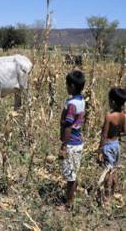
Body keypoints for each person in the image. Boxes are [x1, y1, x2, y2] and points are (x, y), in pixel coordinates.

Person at [58, 70, 86, 210]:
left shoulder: (72, 104)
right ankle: (70, 199)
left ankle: (68, 203)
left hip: (71, 143)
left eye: (67, 85)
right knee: (73, 173)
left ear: (72, 86)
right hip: (78, 143)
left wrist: (64, 144)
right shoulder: (81, 101)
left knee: (70, 176)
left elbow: (68, 125)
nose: (66, 87)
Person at [97, 87, 126, 201]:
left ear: (112, 102)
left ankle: (106, 197)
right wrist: (117, 133)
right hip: (117, 145)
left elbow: (104, 135)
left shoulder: (109, 116)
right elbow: (124, 131)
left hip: (108, 146)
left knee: (107, 171)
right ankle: (112, 193)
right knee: (114, 170)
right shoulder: (123, 116)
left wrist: (100, 151)